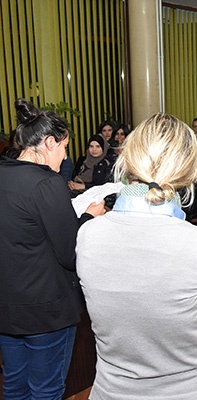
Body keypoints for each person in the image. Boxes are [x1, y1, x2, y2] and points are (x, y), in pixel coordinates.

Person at [76, 113, 197, 400]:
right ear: (189, 171)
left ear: (128, 160)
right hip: (192, 390)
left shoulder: (87, 234)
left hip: (113, 391)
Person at [0, 99, 105, 399]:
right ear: (48, 143)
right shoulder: (47, 183)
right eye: (64, 147)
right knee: (46, 389)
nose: (65, 155)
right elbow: (70, 253)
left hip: (7, 308)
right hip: (45, 310)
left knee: (15, 384)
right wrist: (88, 217)